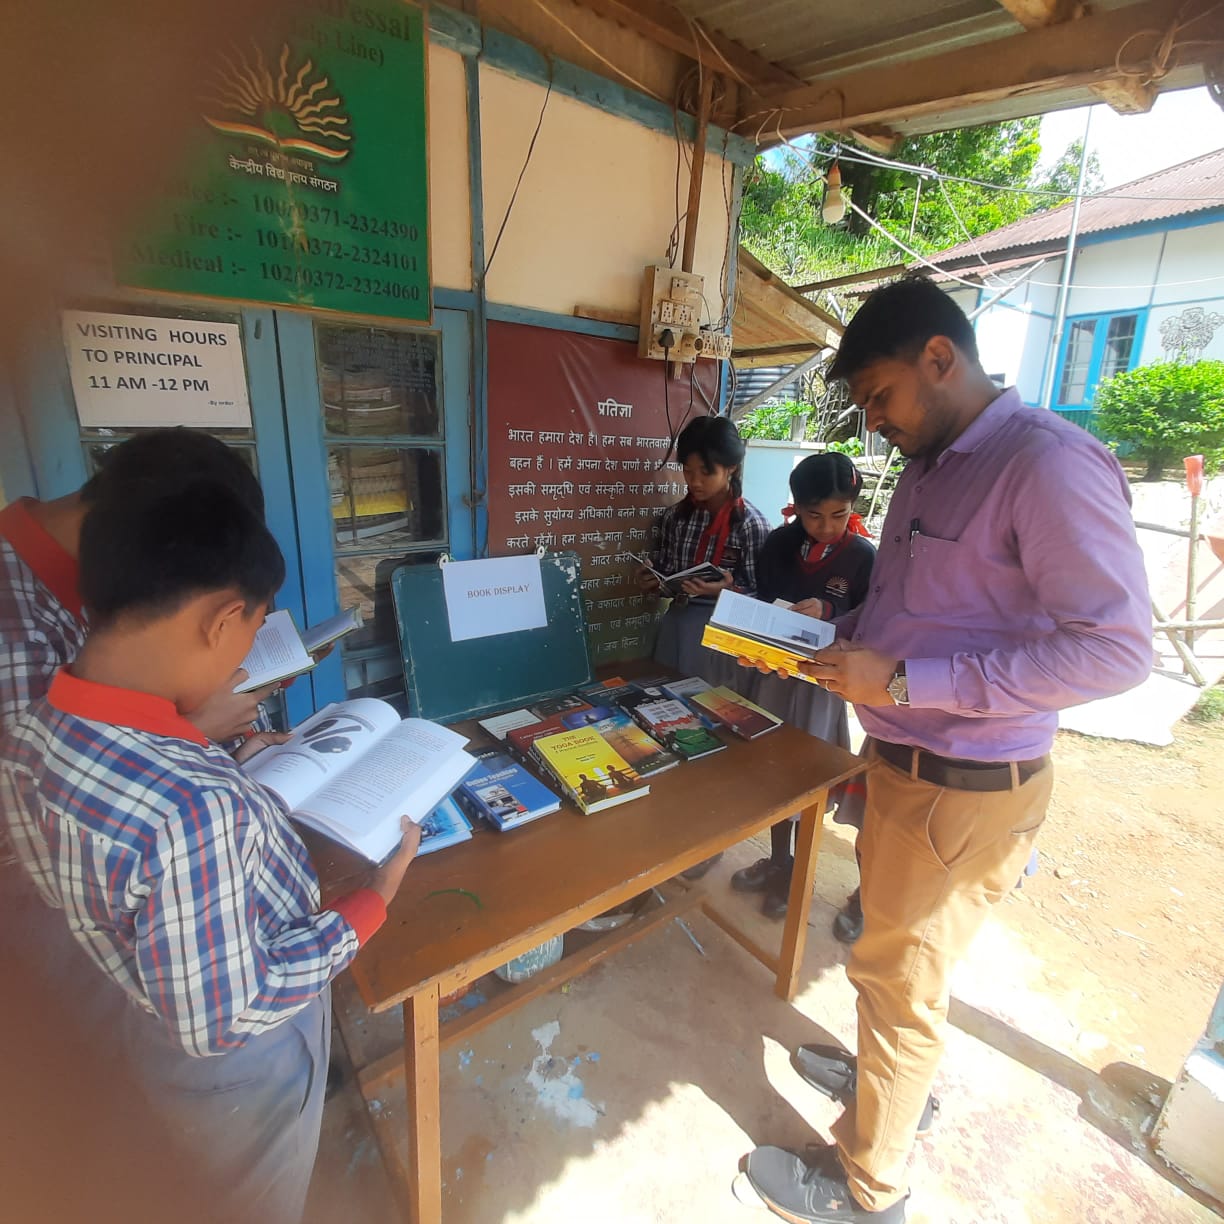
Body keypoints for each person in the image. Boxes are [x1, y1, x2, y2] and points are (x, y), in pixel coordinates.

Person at [743, 277, 1152, 1223]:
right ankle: (885, 1081)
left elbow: (1114, 650)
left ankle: (867, 1187)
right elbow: (915, 612)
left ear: (940, 358)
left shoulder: (1045, 465)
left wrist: (905, 684)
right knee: (892, 965)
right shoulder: (931, 462)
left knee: (904, 979)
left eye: (880, 395)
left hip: (964, 787)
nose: (873, 421)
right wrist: (836, 632)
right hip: (902, 769)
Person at [0, 472, 422, 1224]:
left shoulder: (37, 726)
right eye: (253, 631)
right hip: (238, 1069)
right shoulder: (192, 810)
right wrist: (365, 908)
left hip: (141, 1009)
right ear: (223, 620)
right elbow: (225, 1017)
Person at [730, 452, 875, 921]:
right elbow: (760, 599)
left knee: (806, 777)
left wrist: (829, 615)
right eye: (814, 515)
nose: (827, 526)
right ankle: (778, 861)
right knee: (771, 772)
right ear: (796, 507)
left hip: (822, 685)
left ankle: (796, 874)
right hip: (771, 675)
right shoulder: (777, 544)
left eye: (839, 514)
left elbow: (870, 623)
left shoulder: (861, 557)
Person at [637, 413, 770, 878]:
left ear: (730, 469)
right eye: (687, 471)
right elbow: (671, 573)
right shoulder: (676, 517)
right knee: (666, 720)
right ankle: (666, 821)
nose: (693, 482)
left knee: (712, 727)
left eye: (705, 473)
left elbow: (764, 596)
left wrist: (725, 591)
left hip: (721, 639)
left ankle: (706, 833)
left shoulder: (751, 524)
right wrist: (658, 582)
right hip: (677, 629)